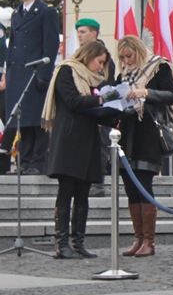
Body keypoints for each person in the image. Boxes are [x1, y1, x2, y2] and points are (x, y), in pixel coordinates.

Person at [42, 41, 117, 259]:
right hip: (68, 139)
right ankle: (62, 243)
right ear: (89, 55)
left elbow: (94, 108)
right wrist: (101, 99)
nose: (100, 67)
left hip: (89, 139)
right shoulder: (67, 70)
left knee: (83, 193)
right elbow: (73, 101)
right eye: (99, 62)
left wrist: (115, 111)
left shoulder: (95, 80)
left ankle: (78, 242)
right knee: (66, 191)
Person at [116, 35, 173, 258]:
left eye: (129, 56)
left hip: (149, 132)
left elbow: (171, 96)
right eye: (123, 58)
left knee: (143, 184)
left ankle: (149, 241)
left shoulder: (159, 67)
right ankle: (138, 238)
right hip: (127, 134)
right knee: (130, 188)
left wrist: (146, 93)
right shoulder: (123, 74)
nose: (127, 61)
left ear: (139, 51)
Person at [0, 0, 59, 175]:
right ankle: (24, 162)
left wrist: (44, 74)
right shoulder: (17, 13)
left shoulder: (46, 12)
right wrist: (8, 72)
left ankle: (37, 163)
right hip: (18, 74)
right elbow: (12, 46)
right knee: (22, 121)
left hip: (34, 73)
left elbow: (50, 46)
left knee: (36, 122)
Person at [75, 17, 116, 197]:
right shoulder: (79, 56)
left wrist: (99, 106)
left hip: (98, 108)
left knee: (99, 147)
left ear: (94, 34)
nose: (79, 35)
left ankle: (98, 183)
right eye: (78, 32)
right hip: (82, 109)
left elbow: (107, 84)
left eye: (83, 32)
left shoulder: (104, 57)